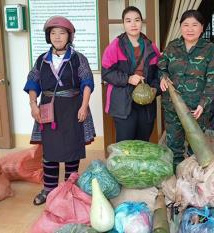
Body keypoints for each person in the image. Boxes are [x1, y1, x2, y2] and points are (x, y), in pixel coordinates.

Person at [23, 16, 95, 205]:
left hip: (72, 108)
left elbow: (87, 82)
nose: (57, 37)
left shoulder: (78, 59)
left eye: (62, 33)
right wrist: (33, 104)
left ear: (69, 36)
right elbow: (33, 83)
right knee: (50, 152)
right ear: (49, 36)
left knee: (72, 150)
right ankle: (49, 190)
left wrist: (84, 105)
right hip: (48, 109)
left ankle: (70, 189)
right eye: (53, 33)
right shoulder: (42, 60)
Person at [159, 9, 214, 172]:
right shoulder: (172, 47)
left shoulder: (209, 49)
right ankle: (177, 180)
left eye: (194, 25)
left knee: (197, 148)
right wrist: (163, 77)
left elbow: (213, 80)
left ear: (202, 28)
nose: (190, 29)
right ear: (180, 27)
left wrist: (203, 104)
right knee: (174, 147)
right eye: (185, 25)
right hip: (173, 107)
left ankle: (195, 179)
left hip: (197, 109)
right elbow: (161, 66)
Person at [102, 6, 161, 142]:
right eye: (128, 21)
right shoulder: (115, 45)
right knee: (125, 144)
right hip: (123, 103)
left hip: (146, 103)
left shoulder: (151, 47)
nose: (133, 24)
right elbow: (106, 73)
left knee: (142, 142)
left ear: (141, 22)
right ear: (123, 24)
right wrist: (128, 79)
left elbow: (159, 73)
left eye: (137, 20)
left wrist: (154, 90)